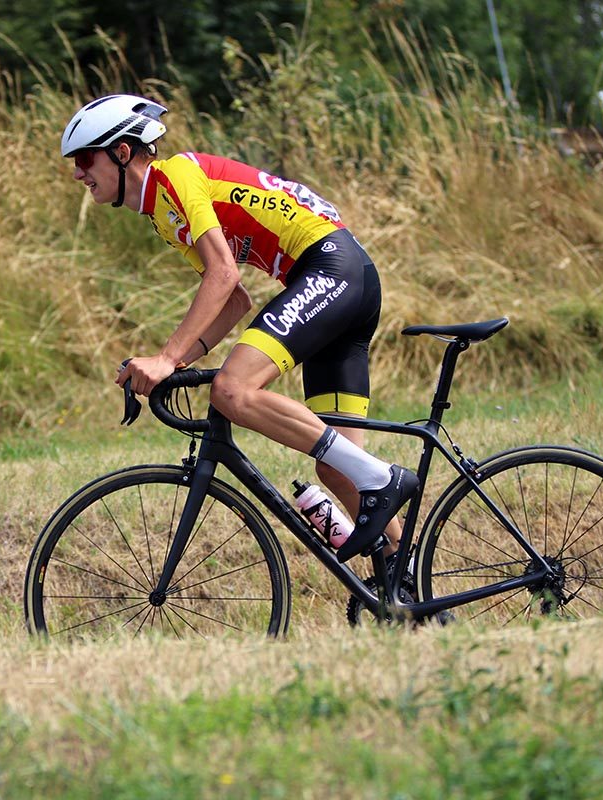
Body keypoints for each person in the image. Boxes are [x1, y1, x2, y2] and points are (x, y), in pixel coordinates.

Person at [62, 93, 418, 562]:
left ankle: (383, 478)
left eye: (85, 158)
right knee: (339, 473)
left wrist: (168, 357)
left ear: (122, 152)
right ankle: (407, 585)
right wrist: (180, 361)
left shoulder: (176, 177)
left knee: (232, 390)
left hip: (331, 270)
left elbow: (224, 273)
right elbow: (234, 301)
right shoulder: (162, 214)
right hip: (343, 277)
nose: (78, 173)